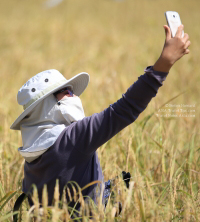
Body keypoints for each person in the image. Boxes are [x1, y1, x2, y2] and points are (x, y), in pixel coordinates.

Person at [11, 25, 190, 209]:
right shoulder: (73, 138)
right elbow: (124, 109)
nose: (74, 96)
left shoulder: (33, 155)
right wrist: (164, 63)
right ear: (46, 106)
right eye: (66, 91)